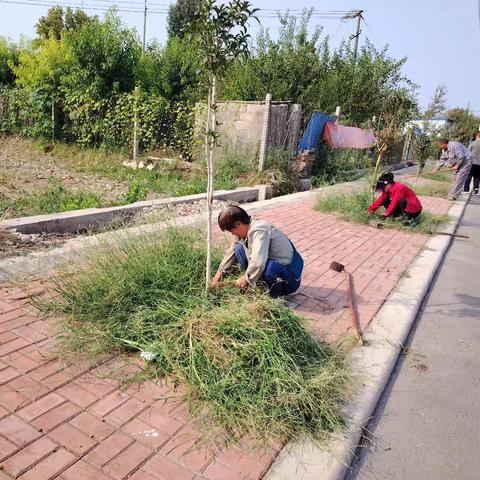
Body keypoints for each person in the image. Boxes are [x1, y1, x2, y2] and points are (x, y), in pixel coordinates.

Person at [211, 205, 304, 298]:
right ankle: (259, 284)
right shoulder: (243, 232)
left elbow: (258, 261)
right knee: (238, 249)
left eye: (231, 230)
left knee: (271, 267)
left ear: (238, 224)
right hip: (273, 270)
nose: (232, 234)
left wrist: (246, 278)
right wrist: (219, 275)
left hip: (290, 278)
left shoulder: (259, 229)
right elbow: (230, 254)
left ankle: (275, 298)